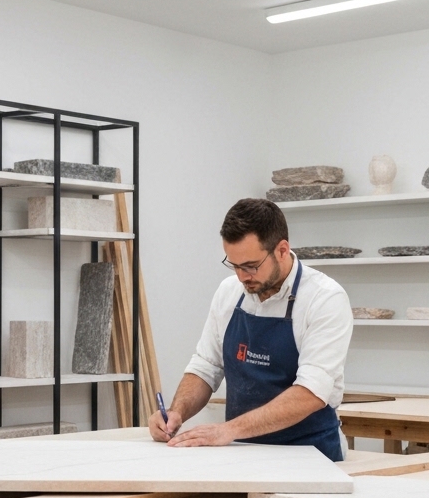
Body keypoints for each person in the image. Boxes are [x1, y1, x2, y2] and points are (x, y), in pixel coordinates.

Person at [149, 197, 353, 459]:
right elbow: (206, 367)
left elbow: (310, 393)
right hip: (242, 452)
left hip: (309, 454)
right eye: (235, 266)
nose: (242, 276)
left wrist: (228, 430)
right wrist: (176, 413)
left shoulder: (325, 299)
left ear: (281, 250)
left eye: (251, 266)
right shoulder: (229, 292)